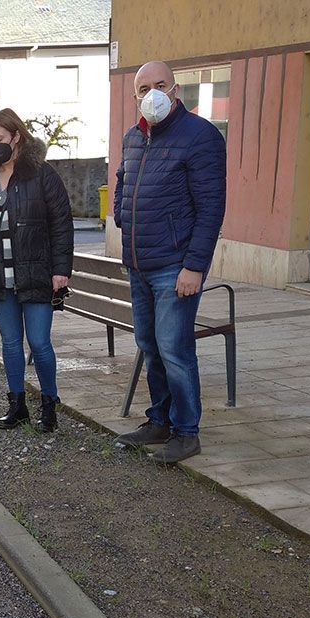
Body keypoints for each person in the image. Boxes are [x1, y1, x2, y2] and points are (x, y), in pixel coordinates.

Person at [111, 61, 227, 464]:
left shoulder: (200, 136)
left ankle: (186, 432)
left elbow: (211, 207)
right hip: (140, 263)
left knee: (175, 349)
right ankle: (158, 420)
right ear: (135, 96)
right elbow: (123, 184)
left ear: (176, 90)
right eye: (144, 88)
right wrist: (122, 218)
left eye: (160, 85)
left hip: (176, 266)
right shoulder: (133, 137)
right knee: (150, 345)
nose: (152, 94)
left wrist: (194, 266)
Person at [0, 108, 74, 433]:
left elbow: (62, 224)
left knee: (39, 342)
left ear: (16, 136)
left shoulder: (41, 174)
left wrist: (61, 269)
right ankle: (17, 405)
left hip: (37, 273)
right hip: (0, 277)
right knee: (10, 343)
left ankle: (49, 406)